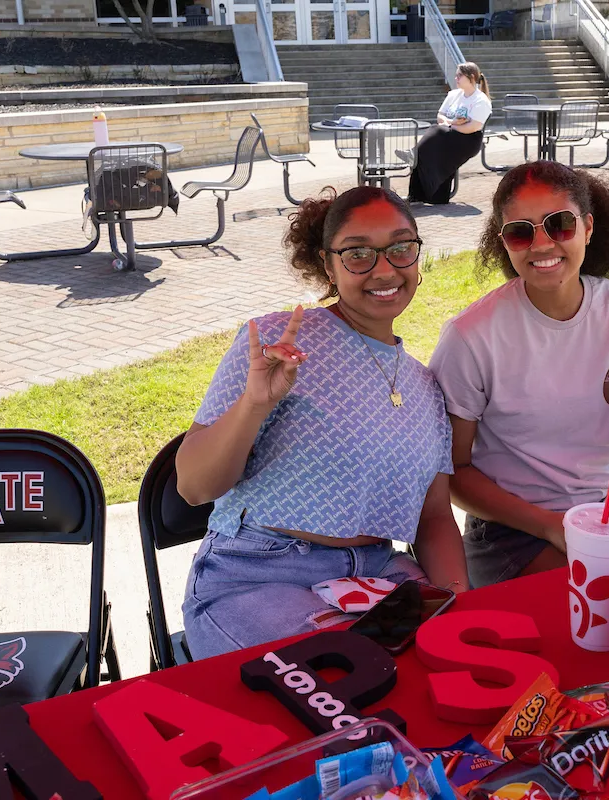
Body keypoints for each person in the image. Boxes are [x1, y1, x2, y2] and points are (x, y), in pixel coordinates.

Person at [178, 185, 469, 657]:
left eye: (400, 248)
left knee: (442, 671)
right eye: (358, 254)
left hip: (379, 574)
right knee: (346, 685)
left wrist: (459, 604)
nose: (384, 269)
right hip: (261, 573)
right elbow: (193, 486)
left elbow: (434, 519)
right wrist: (254, 404)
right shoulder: (275, 343)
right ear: (328, 265)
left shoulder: (424, 387)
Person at [429, 161, 609, 588]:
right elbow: (453, 472)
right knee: (605, 598)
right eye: (521, 232)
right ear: (504, 243)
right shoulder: (471, 337)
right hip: (512, 529)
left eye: (559, 225)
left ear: (588, 227)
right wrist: (548, 524)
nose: (541, 244)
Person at [406, 62, 492, 205]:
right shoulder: (453, 95)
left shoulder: (480, 100)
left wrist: (450, 126)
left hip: (467, 139)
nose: (456, 78)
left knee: (436, 130)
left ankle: (413, 154)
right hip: (448, 134)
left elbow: (473, 126)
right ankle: (419, 195)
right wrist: (450, 123)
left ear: (471, 77)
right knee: (426, 153)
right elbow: (440, 115)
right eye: (456, 75)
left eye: (459, 75)